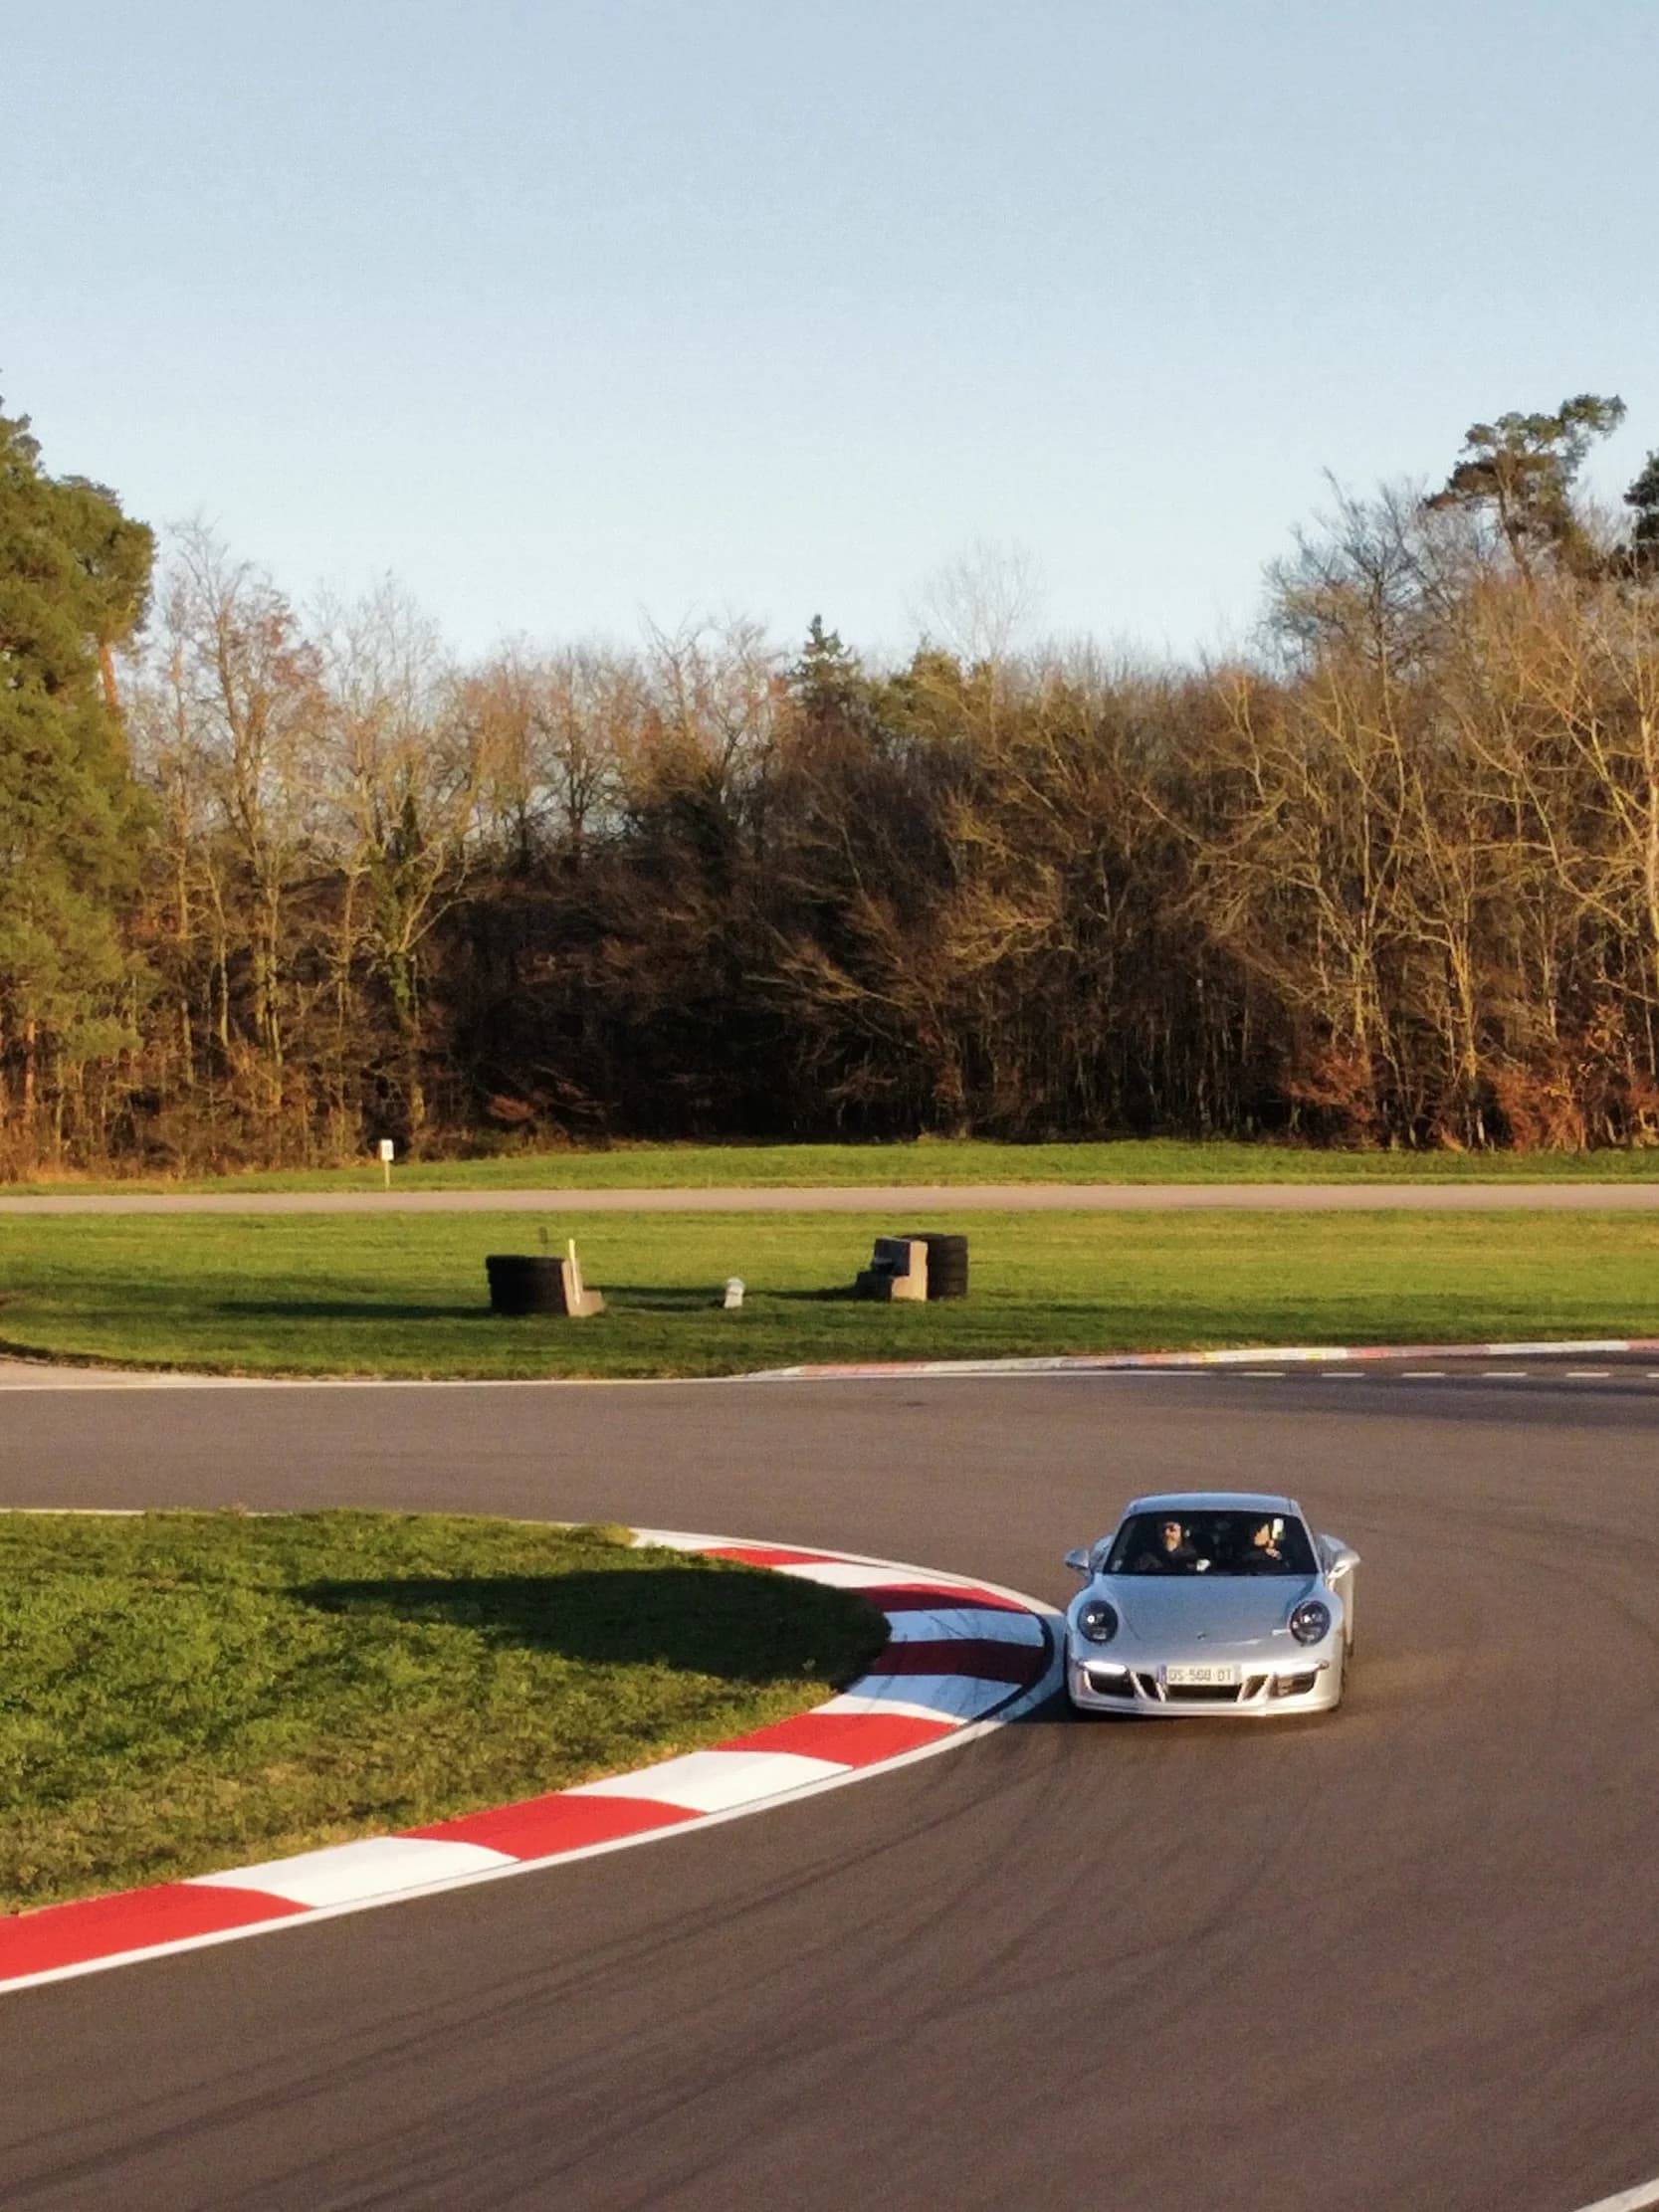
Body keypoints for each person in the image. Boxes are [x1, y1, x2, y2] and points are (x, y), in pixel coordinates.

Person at [1131, 1516, 1204, 1574]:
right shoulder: (1146, 1559)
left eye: (1172, 1529)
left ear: (1182, 1532)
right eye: (1162, 1530)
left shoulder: (1197, 1556)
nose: (1167, 1533)